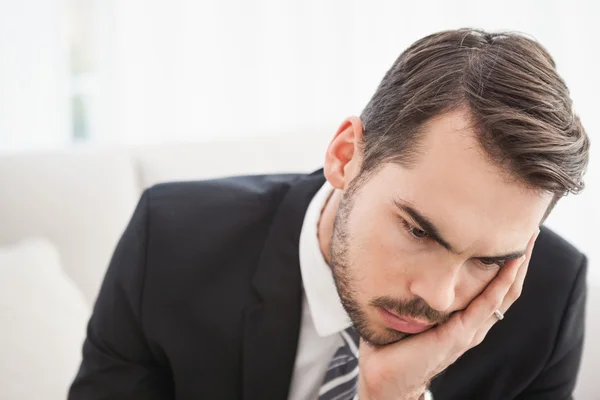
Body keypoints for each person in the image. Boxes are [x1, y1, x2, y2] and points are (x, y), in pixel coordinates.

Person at [69, 28, 590, 400]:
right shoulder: (173, 240)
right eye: (417, 230)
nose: (438, 295)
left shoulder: (546, 304)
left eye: (487, 261)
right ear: (345, 157)